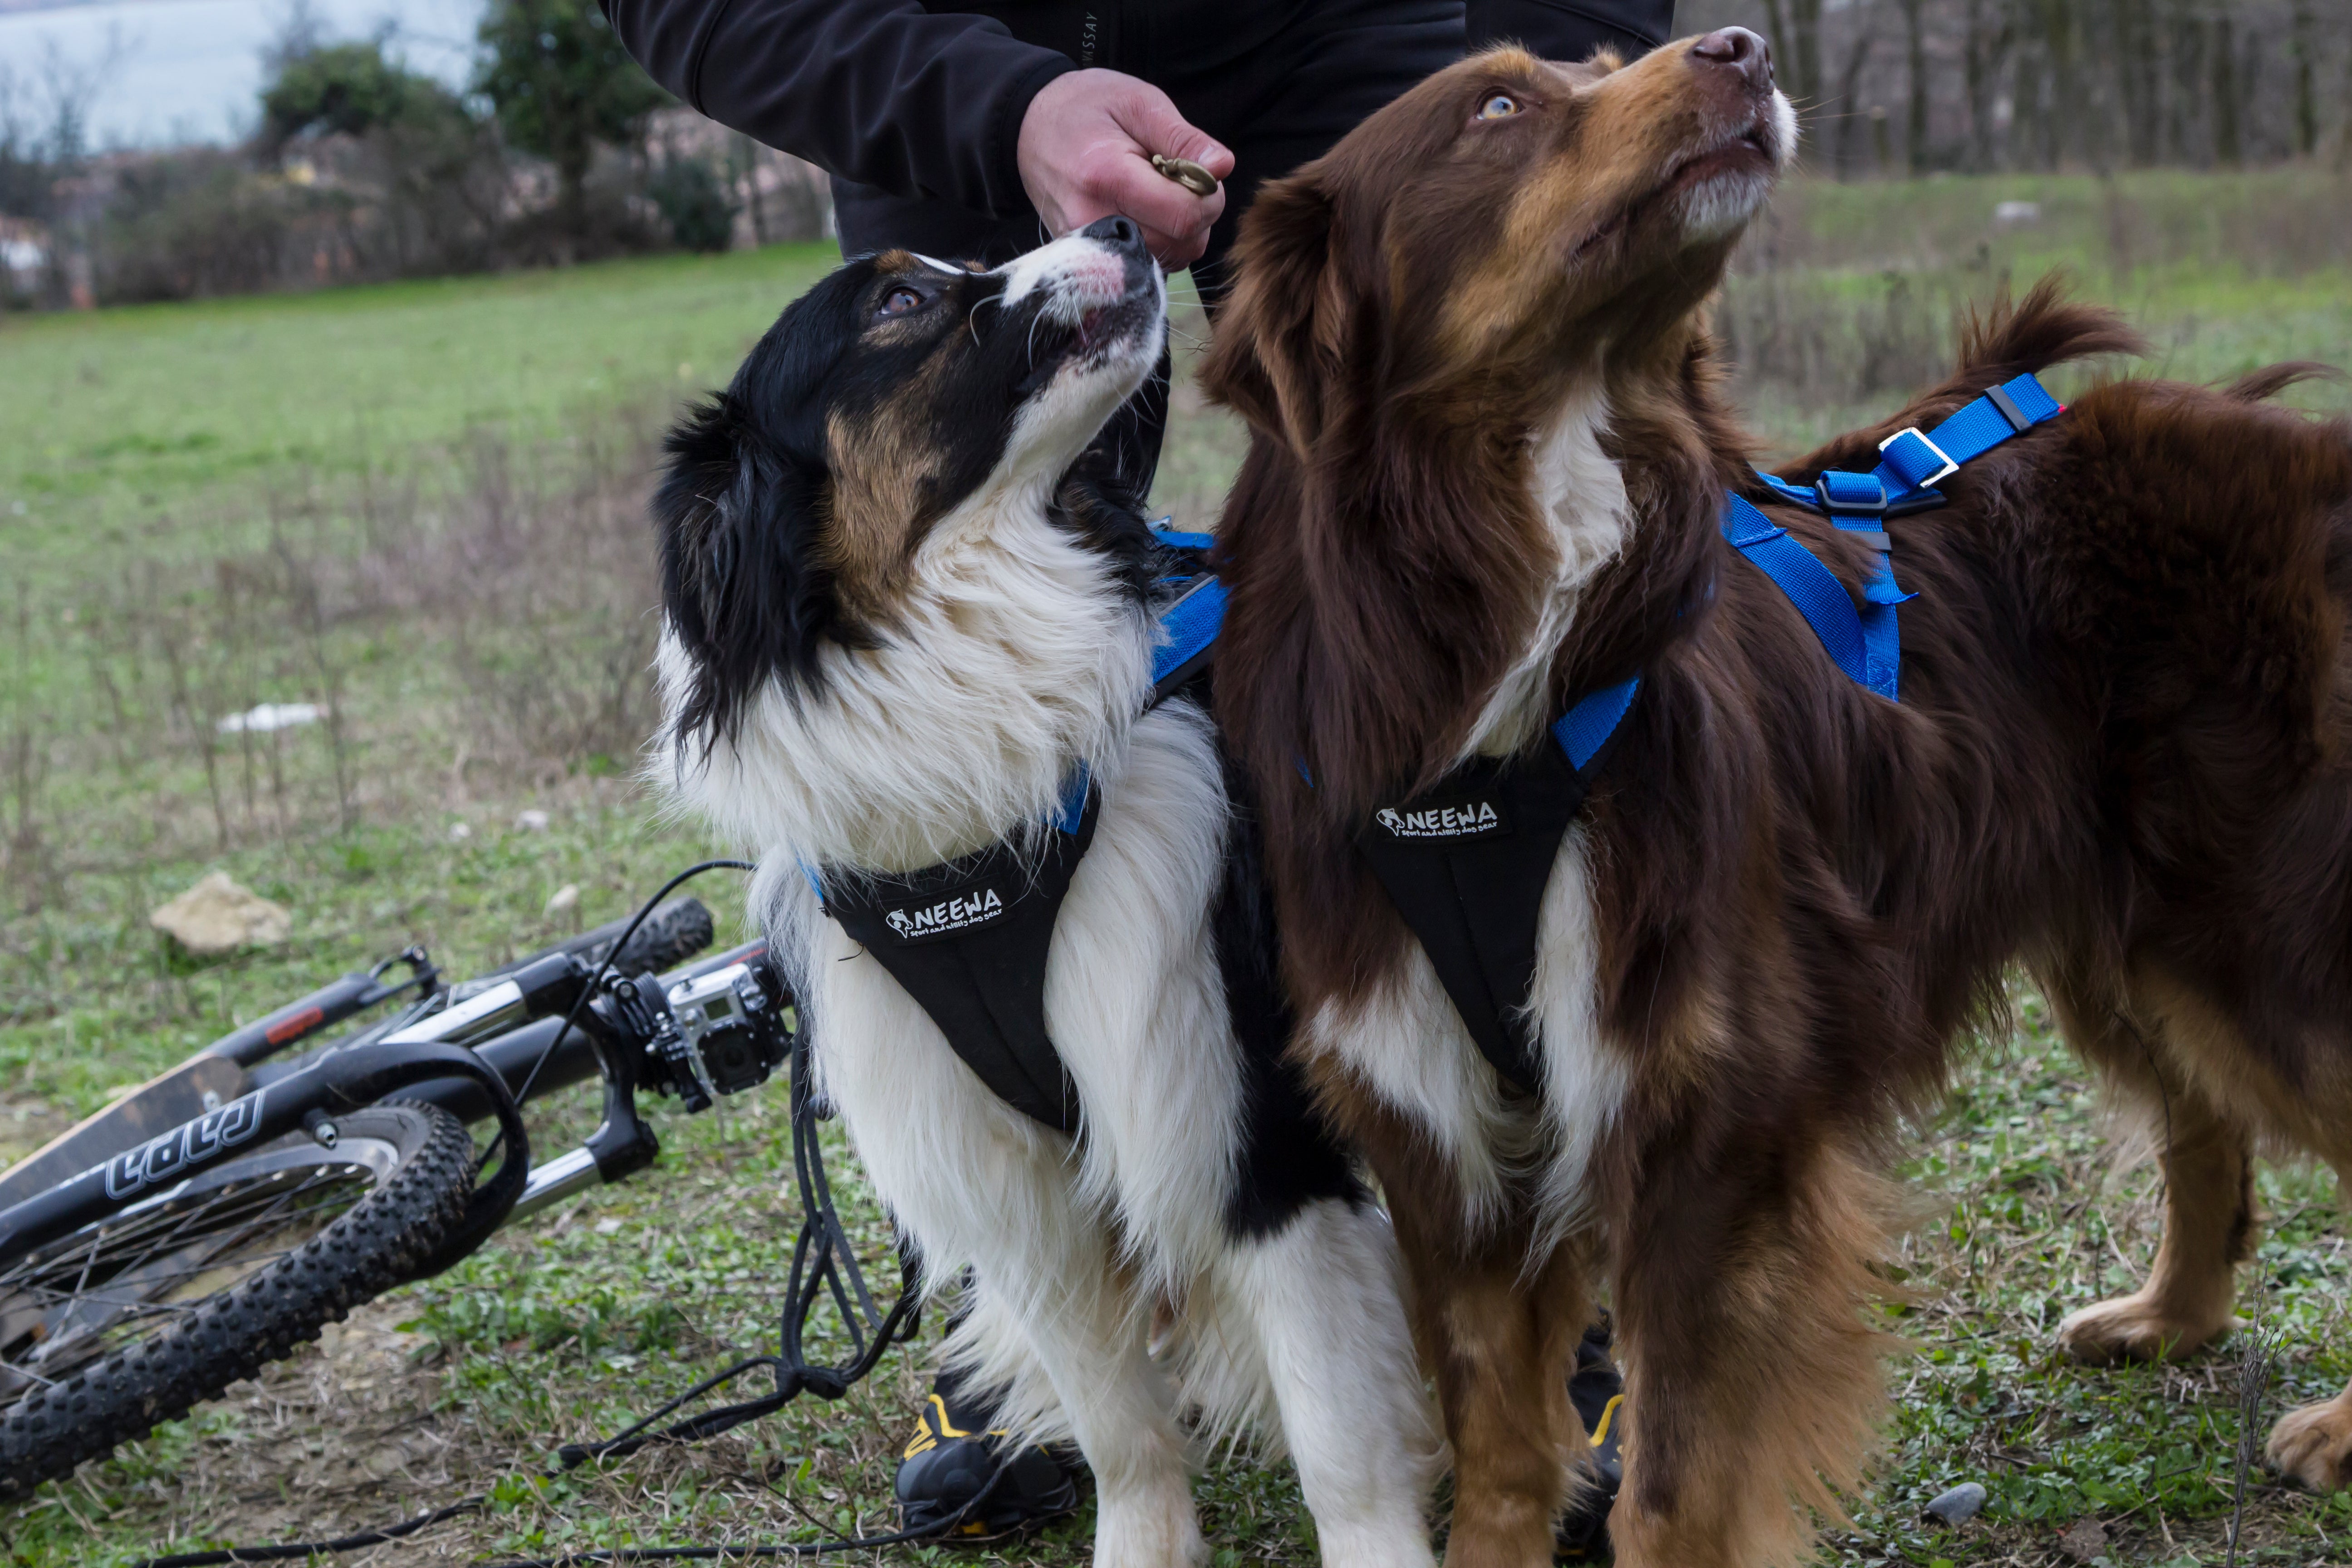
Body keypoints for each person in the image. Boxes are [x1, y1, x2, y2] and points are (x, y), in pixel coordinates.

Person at [600, 0, 1673, 1542]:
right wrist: (996, 108)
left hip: (1360, 47)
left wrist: (1577, 95)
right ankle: (1036, 1311)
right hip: (955, 61)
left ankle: (1543, 1280)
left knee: (1495, 630)